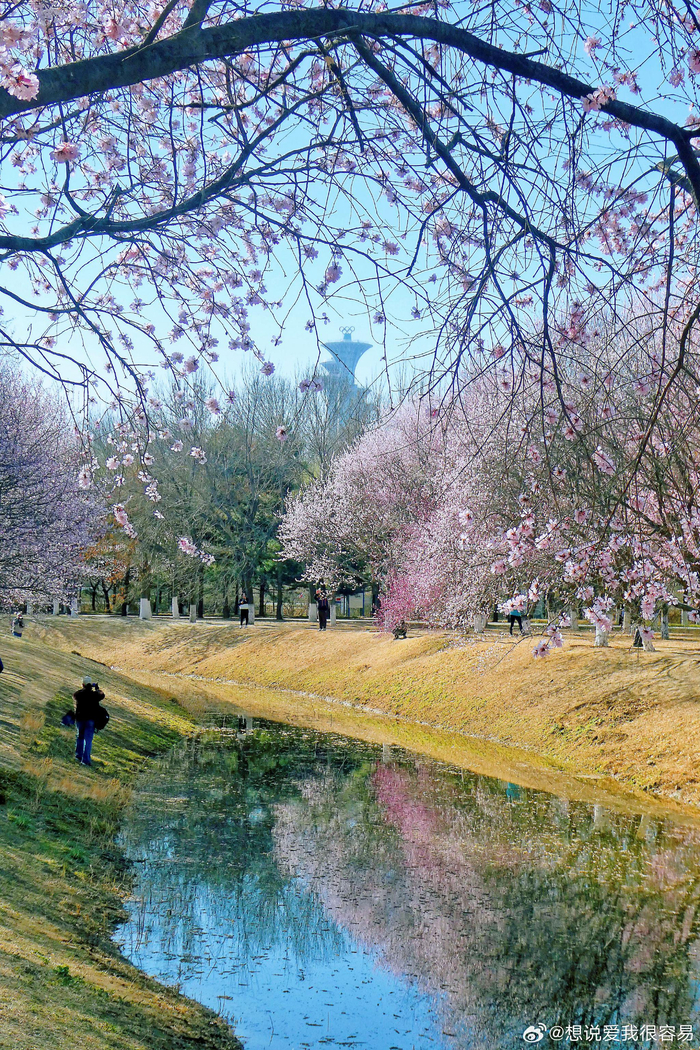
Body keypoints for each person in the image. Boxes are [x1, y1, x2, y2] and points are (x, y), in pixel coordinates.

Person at [73, 675, 105, 766]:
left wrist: (86, 688)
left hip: (80, 719)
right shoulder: (95, 695)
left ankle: (78, 755)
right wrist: (97, 689)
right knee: (88, 740)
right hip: (90, 721)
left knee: (80, 737)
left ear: (83, 685)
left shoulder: (78, 694)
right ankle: (85, 760)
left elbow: (75, 695)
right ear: (91, 685)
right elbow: (102, 695)